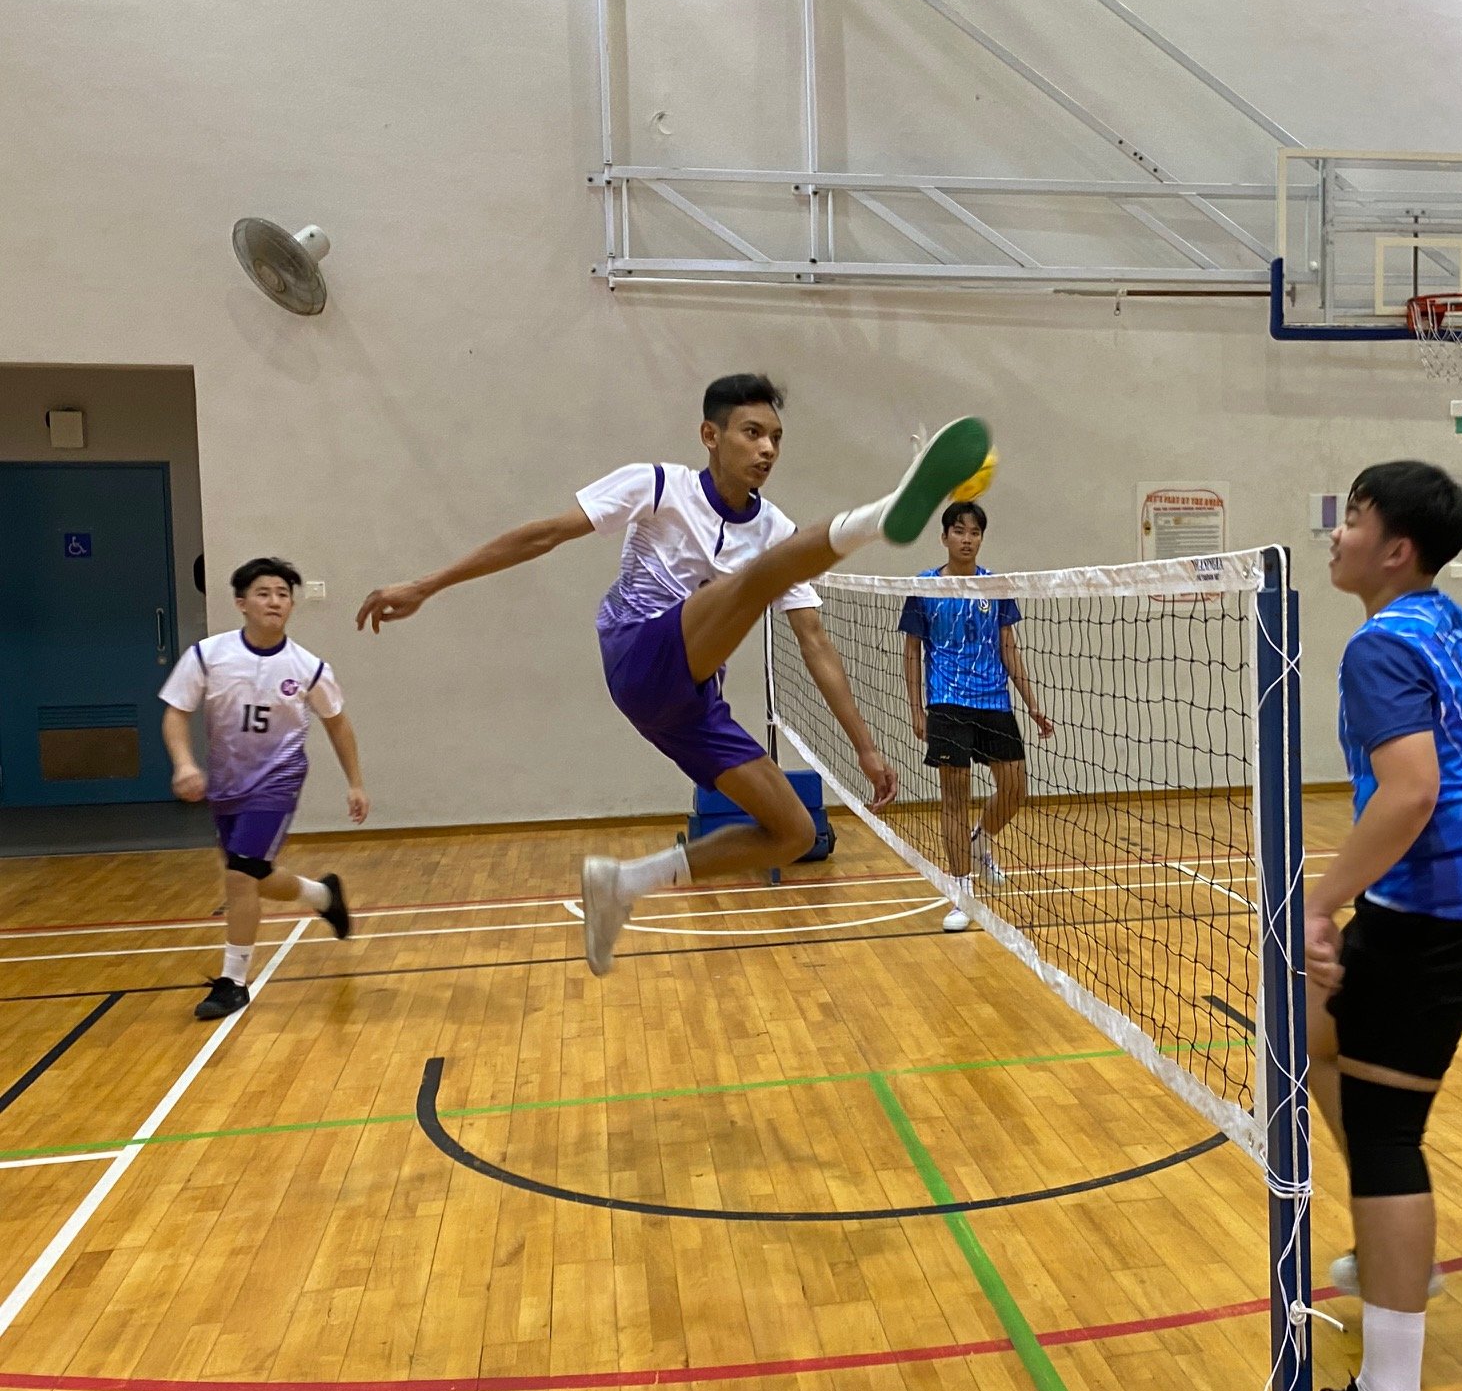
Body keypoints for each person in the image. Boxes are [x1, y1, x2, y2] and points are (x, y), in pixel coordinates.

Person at [356, 373, 991, 973]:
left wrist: (866, 746)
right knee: (754, 581)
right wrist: (427, 584)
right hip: (638, 652)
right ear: (709, 436)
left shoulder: (775, 529)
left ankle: (624, 883)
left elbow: (815, 641)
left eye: (775, 438)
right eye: (751, 432)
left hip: (690, 700)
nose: (767, 448)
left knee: (793, 833)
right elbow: (543, 534)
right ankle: (881, 515)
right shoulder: (657, 486)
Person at [1266, 461, 1462, 1391]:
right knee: (1312, 1038)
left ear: (1395, 550)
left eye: (1351, 521)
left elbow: (1411, 792)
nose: (1335, 536)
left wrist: (1320, 904)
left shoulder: (1381, 646)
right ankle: (1398, 1255)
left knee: (1388, 1133)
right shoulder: (1461, 631)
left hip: (1441, 913)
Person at [160, 557, 366, 1020]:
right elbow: (176, 712)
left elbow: (337, 724)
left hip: (277, 782)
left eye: (282, 594)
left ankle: (233, 982)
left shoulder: (307, 667)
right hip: (227, 786)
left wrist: (356, 783)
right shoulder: (208, 655)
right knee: (253, 876)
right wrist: (184, 764)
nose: (275, 601)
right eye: (263, 593)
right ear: (241, 603)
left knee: (239, 876)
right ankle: (322, 895)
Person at [898, 501, 1053, 931]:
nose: (967, 539)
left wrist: (1032, 704)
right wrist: (917, 709)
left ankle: (981, 841)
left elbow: (1009, 647)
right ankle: (961, 891)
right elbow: (912, 652)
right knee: (954, 795)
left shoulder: (995, 586)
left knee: (1015, 786)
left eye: (975, 532)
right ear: (945, 536)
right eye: (959, 530)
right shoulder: (925, 586)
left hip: (994, 700)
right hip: (946, 703)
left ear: (981, 539)